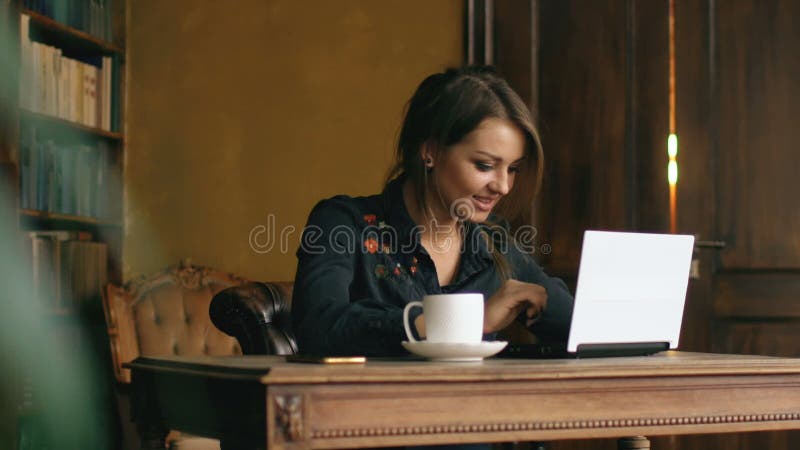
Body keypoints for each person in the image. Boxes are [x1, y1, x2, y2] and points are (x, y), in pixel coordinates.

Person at [291, 65, 573, 359]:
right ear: (430, 151)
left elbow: (580, 332)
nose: (503, 186)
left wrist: (548, 301)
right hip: (369, 403)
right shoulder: (343, 223)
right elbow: (319, 328)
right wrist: (465, 322)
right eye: (485, 165)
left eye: (512, 169)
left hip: (474, 404)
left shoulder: (493, 244)